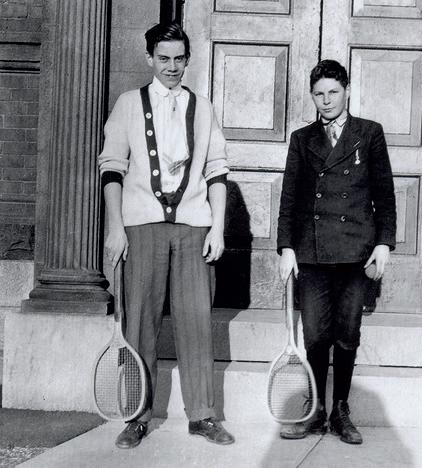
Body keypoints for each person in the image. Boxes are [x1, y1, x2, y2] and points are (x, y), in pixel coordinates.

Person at [98, 21, 234, 449]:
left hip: (193, 226)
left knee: (196, 321)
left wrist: (218, 227)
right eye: (163, 58)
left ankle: (203, 415)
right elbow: (112, 168)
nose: (171, 67)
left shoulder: (203, 107)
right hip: (142, 227)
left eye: (178, 59)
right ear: (149, 59)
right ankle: (136, 416)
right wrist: (116, 227)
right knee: (139, 322)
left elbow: (217, 170)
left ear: (188, 59)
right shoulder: (128, 104)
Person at [277, 60, 396, 444]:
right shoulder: (302, 138)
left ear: (346, 91)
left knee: (347, 334)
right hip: (311, 253)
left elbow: (384, 193)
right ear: (311, 96)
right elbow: (289, 197)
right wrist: (286, 247)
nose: (326, 100)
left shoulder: (369, 133)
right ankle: (315, 411)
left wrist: (383, 242)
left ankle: (341, 411)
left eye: (333, 92)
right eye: (319, 94)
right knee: (315, 335)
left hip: (355, 251)